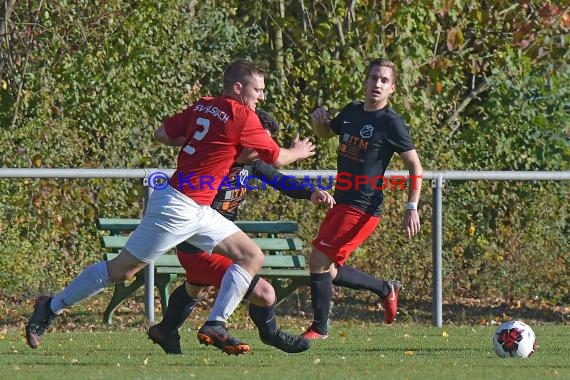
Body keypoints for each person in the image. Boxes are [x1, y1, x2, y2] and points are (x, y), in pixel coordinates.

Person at [25, 58, 316, 355]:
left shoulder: (203, 106)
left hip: (199, 209)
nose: (262, 96)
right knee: (122, 270)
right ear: (239, 88)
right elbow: (277, 158)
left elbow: (162, 135)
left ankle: (216, 322)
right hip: (178, 207)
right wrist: (299, 151)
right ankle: (51, 306)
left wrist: (206, 146)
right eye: (259, 89)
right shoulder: (242, 115)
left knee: (251, 255)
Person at [148, 109, 335, 355]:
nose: (262, 150)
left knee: (196, 286)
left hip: (208, 246)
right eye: (259, 143)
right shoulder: (215, 161)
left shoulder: (252, 164)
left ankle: (165, 330)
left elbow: (279, 180)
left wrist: (311, 192)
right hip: (198, 245)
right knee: (266, 294)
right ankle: (269, 335)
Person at [302, 58, 423, 340]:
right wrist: (318, 123)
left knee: (318, 261)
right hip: (341, 201)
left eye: (384, 80)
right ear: (365, 81)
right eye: (373, 78)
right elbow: (325, 133)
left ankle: (319, 329)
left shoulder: (391, 123)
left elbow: (415, 167)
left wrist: (411, 207)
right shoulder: (352, 111)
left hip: (363, 207)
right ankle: (385, 289)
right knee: (327, 269)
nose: (377, 84)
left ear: (392, 88)